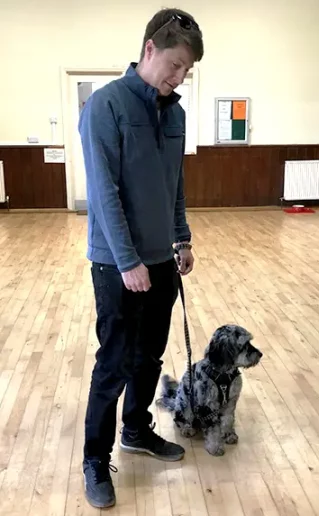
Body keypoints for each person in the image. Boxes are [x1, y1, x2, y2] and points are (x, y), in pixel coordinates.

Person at [78, 8, 204, 509]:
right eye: (174, 65)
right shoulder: (105, 106)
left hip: (160, 261)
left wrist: (182, 237)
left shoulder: (175, 113)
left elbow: (174, 184)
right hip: (116, 264)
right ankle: (94, 459)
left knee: (149, 356)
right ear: (149, 49)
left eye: (186, 71)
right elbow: (104, 193)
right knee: (112, 364)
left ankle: (136, 430)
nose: (178, 78)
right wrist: (128, 261)